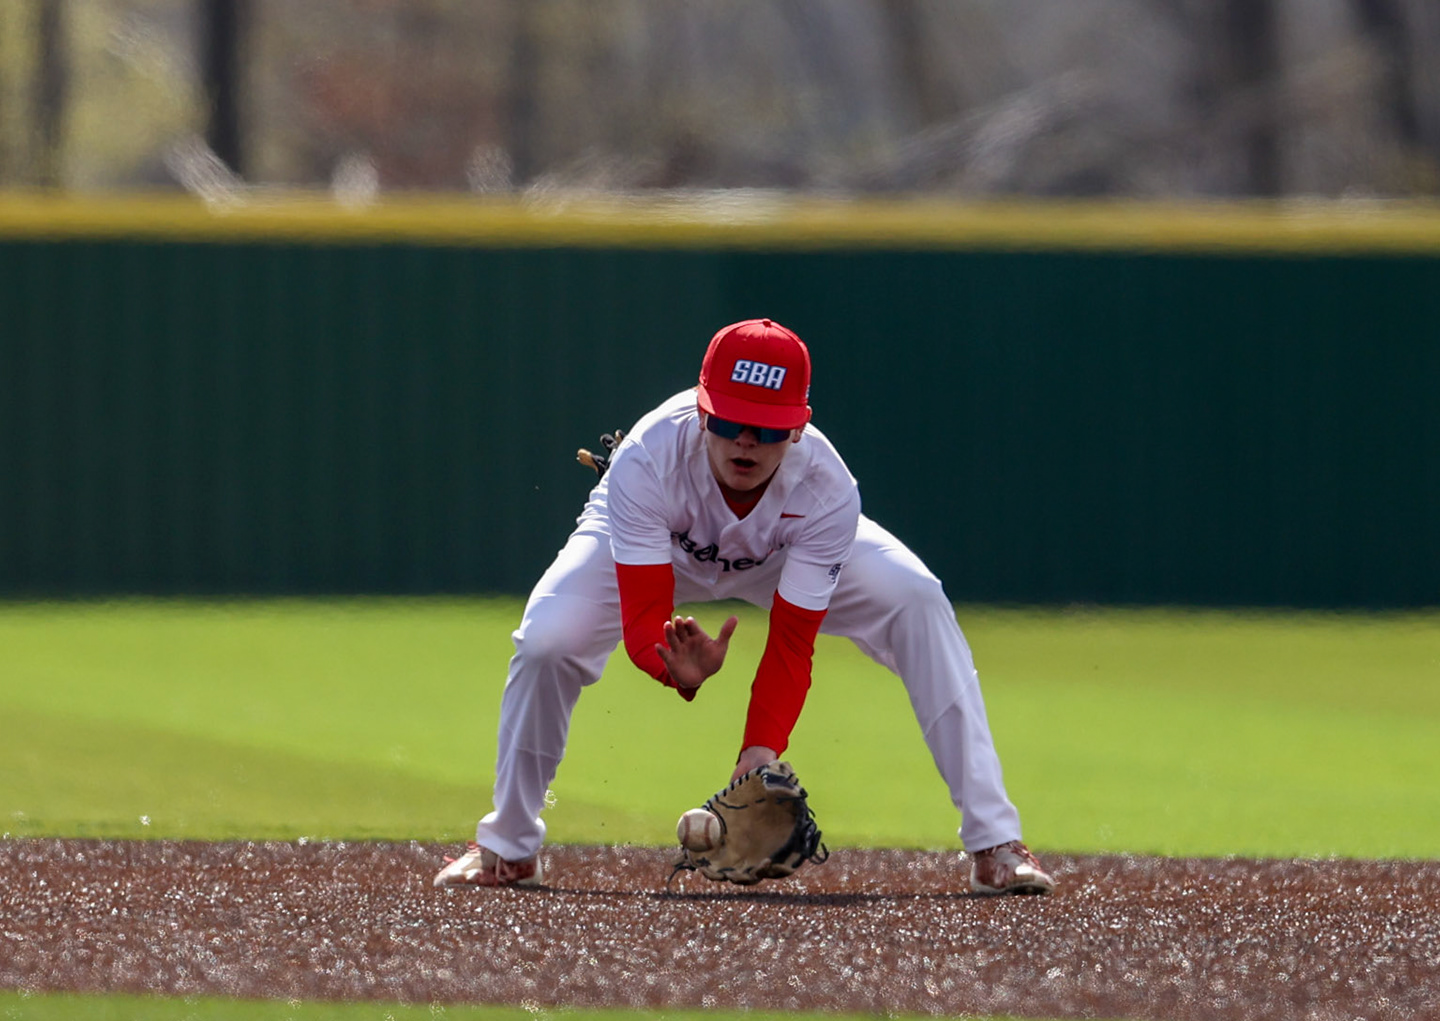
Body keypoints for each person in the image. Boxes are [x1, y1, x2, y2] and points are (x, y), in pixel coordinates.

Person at [436, 318, 1050, 895]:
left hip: (781, 552)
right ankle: (508, 845)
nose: (747, 440)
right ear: (702, 411)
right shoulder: (648, 457)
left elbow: (791, 644)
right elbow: (644, 616)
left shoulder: (827, 490)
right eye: (730, 421)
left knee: (916, 599)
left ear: (799, 428)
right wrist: (671, 669)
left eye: (769, 426)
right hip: (659, 544)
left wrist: (758, 755)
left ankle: (995, 843)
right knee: (547, 640)